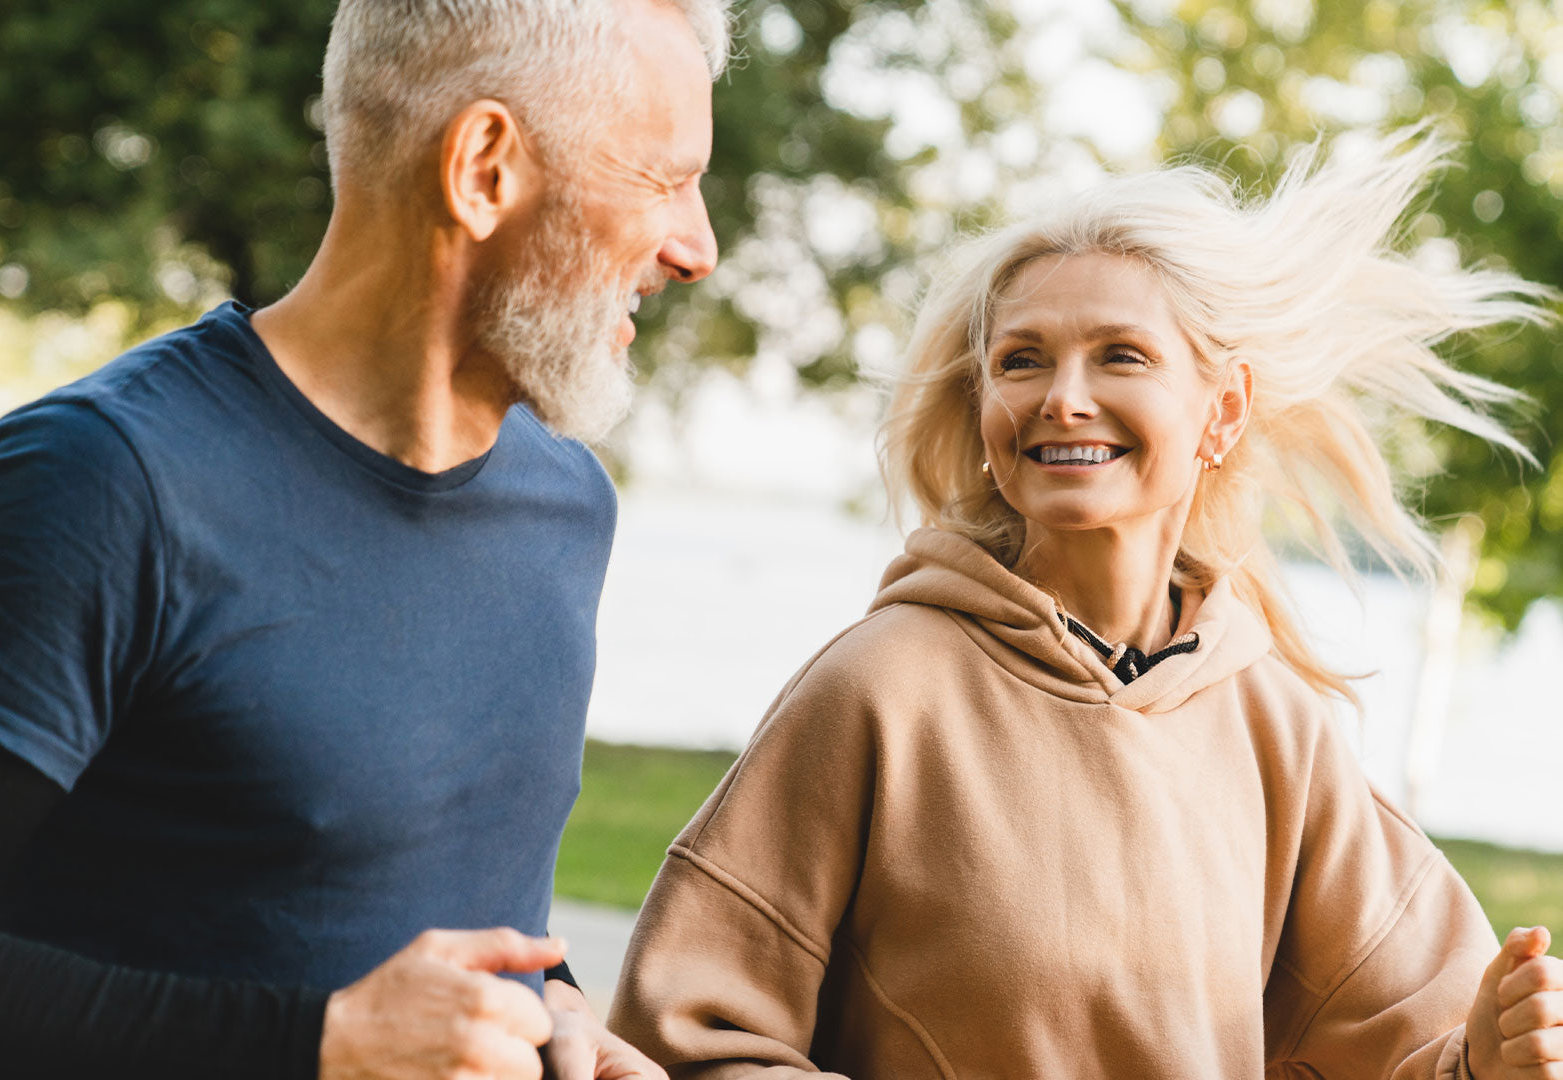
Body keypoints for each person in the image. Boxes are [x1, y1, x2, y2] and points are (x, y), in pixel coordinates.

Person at [606, 131, 1563, 1078]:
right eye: (1022, 360)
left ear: (1221, 410)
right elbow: (687, 1040)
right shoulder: (880, 688)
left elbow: (1404, 1042)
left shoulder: (1274, 725)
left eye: (1120, 356)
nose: (1063, 398)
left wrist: (1482, 1060)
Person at [0, 0, 728, 1077]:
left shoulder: (567, 506)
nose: (698, 249)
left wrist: (557, 1014)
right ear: (485, 168)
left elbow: (446, 912)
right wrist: (319, 1047)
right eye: (664, 178)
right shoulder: (99, 487)